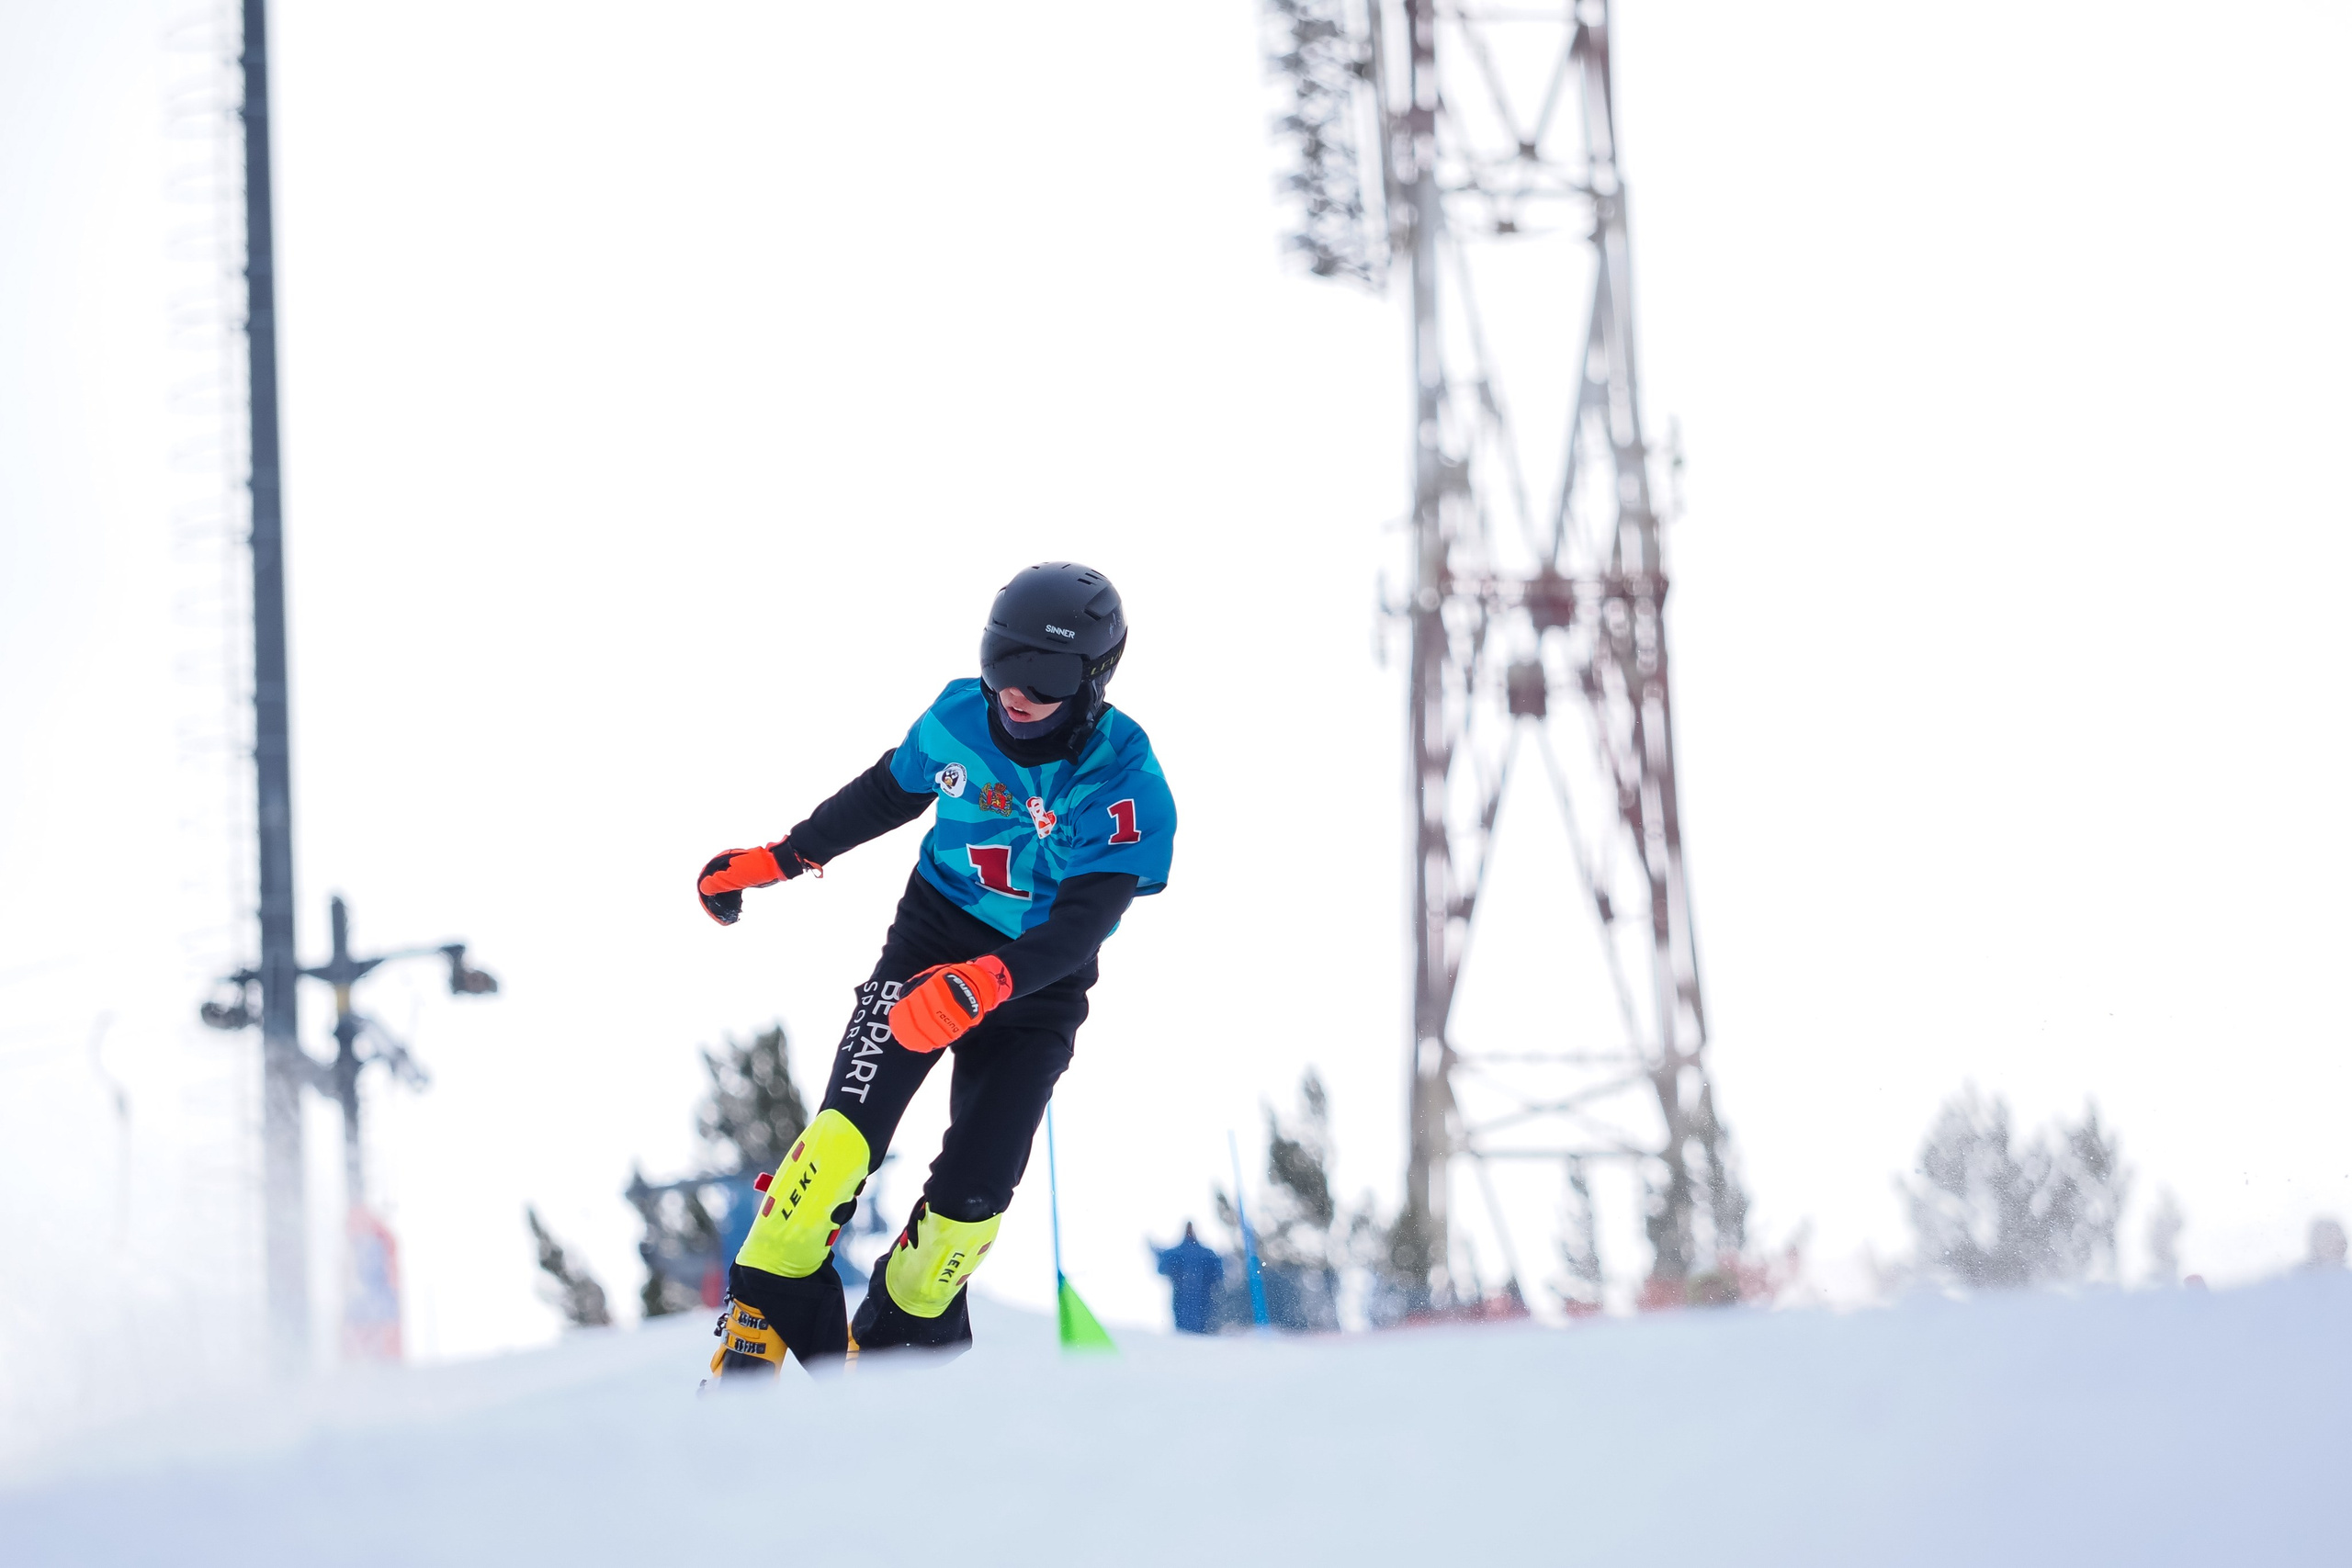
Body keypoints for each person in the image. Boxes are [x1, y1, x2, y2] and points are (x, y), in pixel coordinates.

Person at [695, 562, 1175, 1377]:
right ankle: (756, 1335)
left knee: (965, 1213)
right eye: (1002, 661)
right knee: (836, 1149)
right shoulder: (961, 716)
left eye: (1046, 674)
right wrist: (783, 857)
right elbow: (887, 792)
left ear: (1094, 678)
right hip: (931, 943)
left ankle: (889, 1361)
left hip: (1033, 985)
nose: (1016, 692)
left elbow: (1083, 924)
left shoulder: (1124, 779)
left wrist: (986, 984)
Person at [1154, 1222, 1226, 1335]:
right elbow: (1219, 1275)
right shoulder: (1204, 1254)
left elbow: (1162, 1268)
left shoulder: (1181, 1253)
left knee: (1193, 1328)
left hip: (1197, 1302)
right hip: (1190, 1302)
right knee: (1190, 1329)